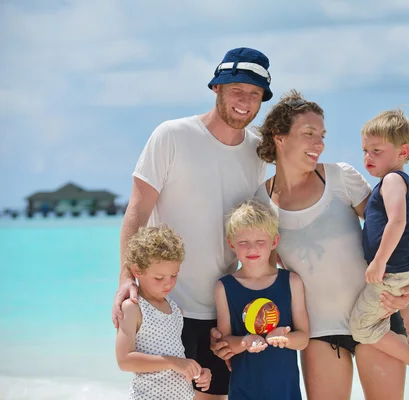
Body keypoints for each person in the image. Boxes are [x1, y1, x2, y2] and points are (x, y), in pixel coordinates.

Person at [211, 90, 409, 400]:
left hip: (378, 320)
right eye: (309, 134)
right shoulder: (261, 202)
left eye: (321, 135)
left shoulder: (342, 178)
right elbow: (262, 279)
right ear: (279, 138)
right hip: (320, 334)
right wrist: (233, 334)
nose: (319, 143)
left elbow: (391, 237)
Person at [112, 47, 272, 400]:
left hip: (223, 309)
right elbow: (137, 213)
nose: (245, 101)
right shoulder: (171, 135)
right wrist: (126, 278)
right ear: (216, 88)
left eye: (255, 94)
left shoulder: (257, 151)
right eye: (237, 91)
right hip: (167, 307)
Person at [349, 109, 409, 396]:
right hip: (405, 268)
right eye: (364, 150)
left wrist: (378, 262)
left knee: (361, 327)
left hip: (393, 268)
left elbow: (398, 221)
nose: (367, 157)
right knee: (391, 298)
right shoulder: (389, 182)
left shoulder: (393, 180)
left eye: (376, 150)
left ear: (402, 152)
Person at [215, 200, 309, 399]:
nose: (252, 249)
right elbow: (226, 343)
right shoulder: (224, 287)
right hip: (244, 391)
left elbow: (303, 339)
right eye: (243, 243)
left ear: (274, 242)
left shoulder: (291, 281)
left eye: (260, 241)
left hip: (285, 391)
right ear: (231, 243)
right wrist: (245, 342)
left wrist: (285, 339)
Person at [116, 224, 212, 400]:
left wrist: (197, 371)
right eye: (159, 278)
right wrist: (173, 363)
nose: (168, 283)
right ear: (137, 271)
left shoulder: (175, 309)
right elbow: (124, 360)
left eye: (174, 275)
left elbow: (178, 357)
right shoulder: (134, 308)